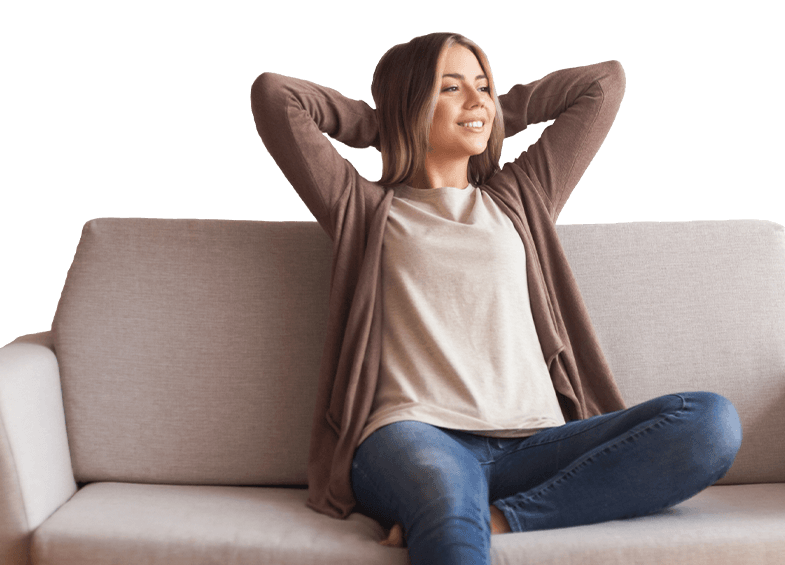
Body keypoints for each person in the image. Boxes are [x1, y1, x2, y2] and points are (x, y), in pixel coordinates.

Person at [250, 32, 742, 565]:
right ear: (410, 105)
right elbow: (276, 95)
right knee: (445, 498)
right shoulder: (364, 209)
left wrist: (493, 109)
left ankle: (505, 516)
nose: (476, 100)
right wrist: (385, 121)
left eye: (482, 86)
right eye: (451, 88)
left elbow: (605, 83)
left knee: (710, 423)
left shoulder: (519, 197)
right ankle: (459, 512)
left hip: (536, 444)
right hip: (415, 436)